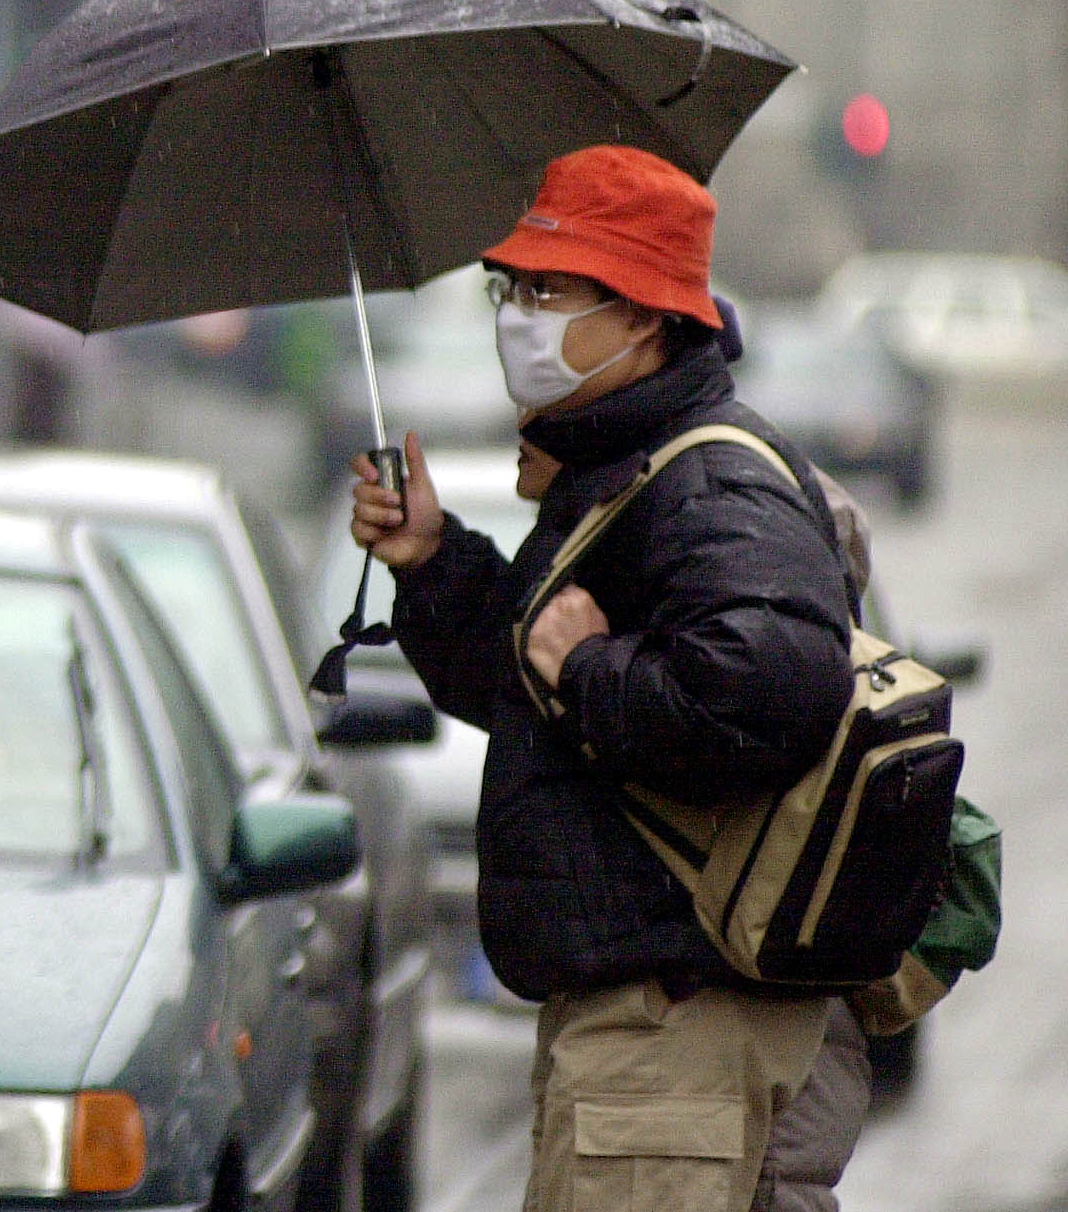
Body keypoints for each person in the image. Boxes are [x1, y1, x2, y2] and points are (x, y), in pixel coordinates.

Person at [347, 144, 869, 1212]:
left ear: (639, 314)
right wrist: (432, 561)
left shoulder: (707, 480)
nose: (515, 318)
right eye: (507, 289)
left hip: (672, 1035)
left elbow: (769, 691)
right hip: (643, 1040)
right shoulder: (624, 473)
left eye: (546, 291)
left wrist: (590, 668)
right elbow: (533, 693)